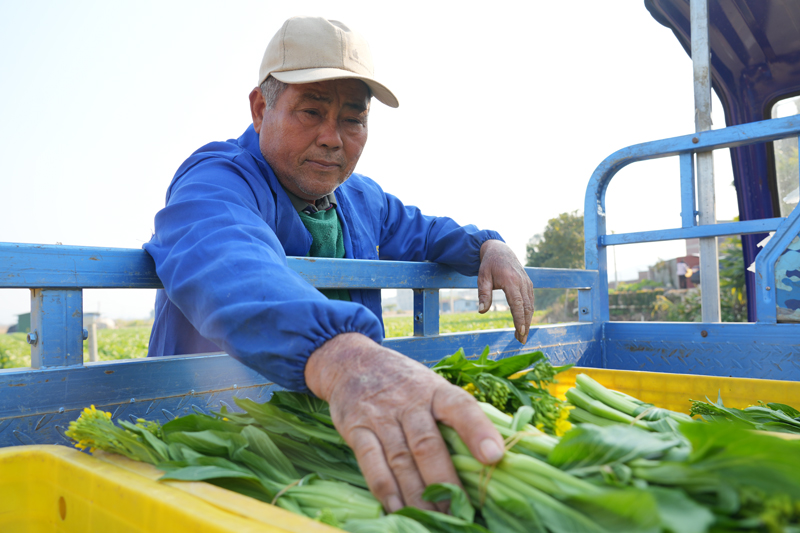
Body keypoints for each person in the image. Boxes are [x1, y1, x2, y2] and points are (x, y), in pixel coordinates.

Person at [144, 16, 534, 512]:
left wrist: (487, 246)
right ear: (262, 109)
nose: (333, 137)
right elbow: (223, 254)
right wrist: (342, 357)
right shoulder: (218, 178)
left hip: (320, 436)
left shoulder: (358, 199)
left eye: (353, 118)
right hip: (209, 435)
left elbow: (427, 231)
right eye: (311, 111)